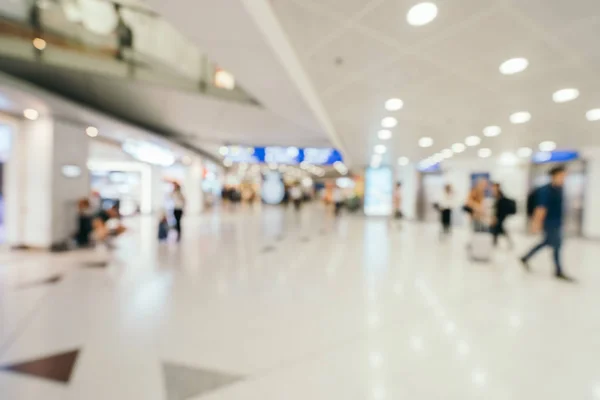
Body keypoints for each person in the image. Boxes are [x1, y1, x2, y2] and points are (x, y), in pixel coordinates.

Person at [520, 165, 574, 281]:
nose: (564, 178)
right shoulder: (545, 190)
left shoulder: (559, 189)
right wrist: (536, 224)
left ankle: (525, 257)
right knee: (557, 246)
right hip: (549, 223)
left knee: (547, 243)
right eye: (562, 176)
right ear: (555, 176)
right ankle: (558, 270)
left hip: (557, 222)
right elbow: (540, 208)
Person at [491, 183, 514, 248]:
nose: (493, 188)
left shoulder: (499, 195)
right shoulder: (496, 194)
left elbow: (499, 206)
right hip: (499, 214)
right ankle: (495, 242)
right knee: (497, 228)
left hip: (501, 215)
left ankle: (495, 243)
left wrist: (495, 216)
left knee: (498, 228)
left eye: (494, 187)